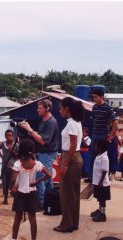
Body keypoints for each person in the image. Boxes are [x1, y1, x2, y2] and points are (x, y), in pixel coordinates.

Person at [8, 139, 51, 240]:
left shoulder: (18, 164)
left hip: (20, 194)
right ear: (32, 151)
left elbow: (13, 179)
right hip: (32, 193)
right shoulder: (36, 164)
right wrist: (37, 181)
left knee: (17, 218)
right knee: (32, 218)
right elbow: (49, 175)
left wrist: (12, 188)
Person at [19, 99, 59, 207]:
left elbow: (43, 140)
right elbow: (41, 135)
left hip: (48, 153)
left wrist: (30, 130)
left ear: (47, 109)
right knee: (48, 178)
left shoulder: (51, 122)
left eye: (40, 108)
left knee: (40, 177)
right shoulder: (44, 120)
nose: (37, 110)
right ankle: (50, 202)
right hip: (44, 153)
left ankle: (40, 204)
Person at [53, 97, 84, 233]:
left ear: (67, 109)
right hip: (75, 157)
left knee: (66, 194)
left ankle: (66, 224)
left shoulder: (72, 124)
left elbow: (72, 145)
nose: (60, 111)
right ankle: (73, 222)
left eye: (61, 108)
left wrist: (64, 164)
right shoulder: (77, 122)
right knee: (73, 194)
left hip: (70, 158)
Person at [87, 87, 118, 183]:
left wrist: (110, 135)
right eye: (93, 97)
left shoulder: (108, 107)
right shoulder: (94, 107)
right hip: (95, 134)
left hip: (103, 135)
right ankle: (92, 176)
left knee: (103, 157)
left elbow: (115, 122)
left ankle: (104, 176)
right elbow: (94, 120)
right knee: (92, 156)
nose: (94, 99)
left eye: (96, 97)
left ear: (101, 97)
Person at [0, 129, 19, 205]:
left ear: (12, 136)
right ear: (5, 136)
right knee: (5, 183)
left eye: (10, 135)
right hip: (4, 167)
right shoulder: (3, 144)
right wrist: (2, 156)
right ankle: (5, 199)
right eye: (7, 135)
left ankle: (15, 199)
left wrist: (14, 153)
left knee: (12, 183)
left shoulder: (15, 145)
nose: (9, 137)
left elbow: (19, 155)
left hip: (12, 167)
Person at [90, 139, 110, 222]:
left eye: (96, 146)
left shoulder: (104, 158)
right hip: (97, 182)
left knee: (102, 199)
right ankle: (99, 210)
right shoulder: (99, 155)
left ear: (101, 148)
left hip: (102, 183)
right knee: (99, 197)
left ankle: (102, 214)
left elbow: (105, 170)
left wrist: (101, 181)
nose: (95, 147)